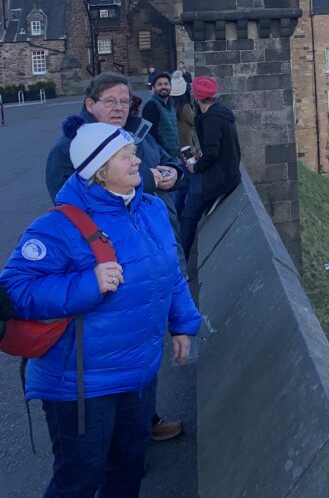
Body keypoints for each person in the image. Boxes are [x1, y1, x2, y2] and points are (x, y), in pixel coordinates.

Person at [3, 122, 204, 497]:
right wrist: (86, 285)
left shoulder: (150, 210)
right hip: (80, 385)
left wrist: (183, 323)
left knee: (127, 471)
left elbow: (170, 272)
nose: (136, 160)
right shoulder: (58, 227)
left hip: (140, 374)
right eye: (125, 155)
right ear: (99, 170)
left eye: (133, 152)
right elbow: (15, 290)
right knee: (79, 481)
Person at [47, 75, 181, 206]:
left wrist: (174, 172)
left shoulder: (138, 131)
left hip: (163, 224)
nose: (119, 108)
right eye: (110, 101)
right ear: (90, 105)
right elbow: (70, 204)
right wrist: (145, 180)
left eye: (124, 102)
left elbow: (164, 159)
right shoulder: (68, 148)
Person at [179, 77, 239, 265]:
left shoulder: (211, 119)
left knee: (189, 218)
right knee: (182, 178)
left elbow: (213, 153)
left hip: (219, 177)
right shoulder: (219, 113)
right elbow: (214, 148)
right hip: (226, 171)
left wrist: (196, 166)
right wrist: (199, 154)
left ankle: (180, 266)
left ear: (196, 97)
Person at [135, 73, 182, 161]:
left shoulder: (170, 105)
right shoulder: (151, 105)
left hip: (174, 156)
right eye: (159, 84)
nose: (163, 87)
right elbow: (151, 136)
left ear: (170, 87)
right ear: (153, 88)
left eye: (166, 84)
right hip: (162, 158)